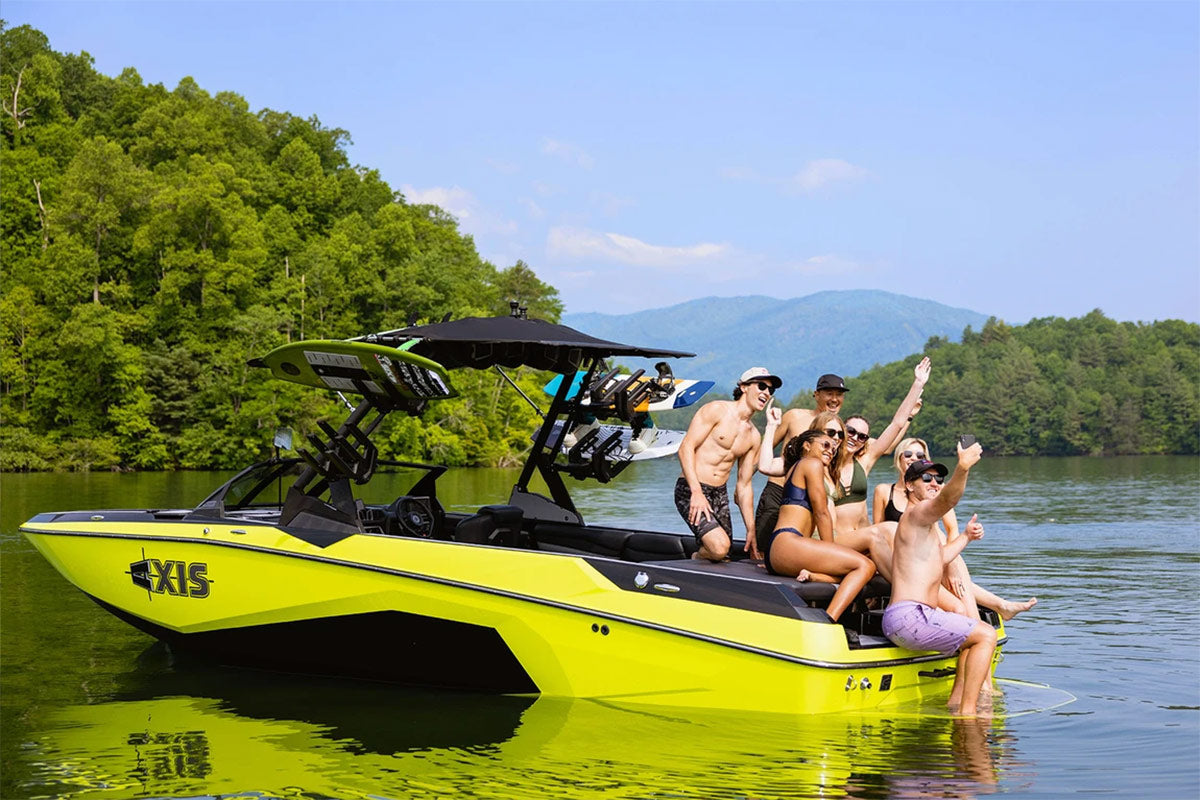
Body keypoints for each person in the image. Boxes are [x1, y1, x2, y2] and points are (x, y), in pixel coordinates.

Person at [883, 448, 997, 716]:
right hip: (909, 616)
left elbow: (939, 558)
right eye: (927, 478)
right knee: (986, 635)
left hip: (911, 617)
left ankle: (956, 704)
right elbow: (948, 500)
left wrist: (965, 537)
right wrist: (963, 467)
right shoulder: (916, 514)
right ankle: (968, 714)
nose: (934, 483)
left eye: (938, 479)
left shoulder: (923, 526)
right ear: (909, 485)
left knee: (971, 638)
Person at [874, 438, 1038, 622]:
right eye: (908, 454)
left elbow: (952, 529)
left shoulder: (935, 490)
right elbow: (879, 530)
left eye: (920, 455)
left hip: (935, 554)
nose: (914, 458)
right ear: (898, 457)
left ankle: (983, 617)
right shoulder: (884, 491)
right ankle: (996, 607)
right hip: (904, 560)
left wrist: (951, 566)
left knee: (955, 566)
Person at [756, 428, 876, 622]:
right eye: (825, 445)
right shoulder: (811, 463)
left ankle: (814, 576)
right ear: (807, 445)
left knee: (863, 562)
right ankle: (828, 620)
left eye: (834, 449)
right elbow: (821, 513)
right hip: (788, 542)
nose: (830, 450)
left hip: (782, 547)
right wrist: (831, 549)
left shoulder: (797, 467)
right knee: (865, 566)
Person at [676, 367, 780, 561]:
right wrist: (696, 493)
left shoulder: (753, 436)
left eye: (770, 390)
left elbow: (744, 485)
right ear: (743, 387)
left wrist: (751, 529)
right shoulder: (716, 410)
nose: (766, 393)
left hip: (719, 494)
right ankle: (695, 558)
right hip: (691, 488)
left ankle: (699, 563)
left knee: (725, 555)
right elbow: (685, 448)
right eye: (761, 386)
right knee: (719, 548)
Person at [834, 357, 931, 531]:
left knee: (888, 531)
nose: (855, 438)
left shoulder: (865, 461)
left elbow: (896, 424)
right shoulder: (824, 462)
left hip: (863, 533)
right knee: (888, 530)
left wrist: (917, 384)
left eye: (862, 436)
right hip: (839, 536)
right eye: (851, 431)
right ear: (841, 430)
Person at [754, 374, 848, 538]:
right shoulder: (795, 417)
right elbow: (763, 457)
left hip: (811, 512)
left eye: (839, 394)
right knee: (761, 549)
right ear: (816, 394)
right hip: (779, 492)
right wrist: (743, 484)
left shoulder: (836, 437)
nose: (834, 399)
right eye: (829, 393)